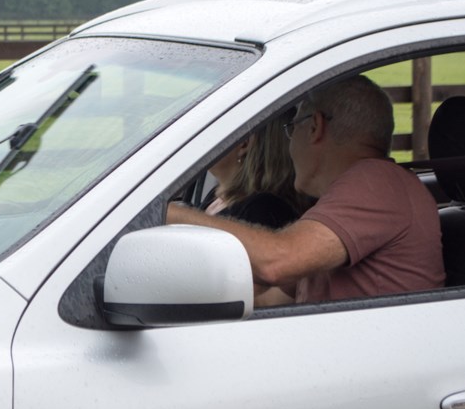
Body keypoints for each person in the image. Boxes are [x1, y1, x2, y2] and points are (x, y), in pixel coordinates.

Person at [168, 75, 445, 303]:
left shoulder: (377, 183)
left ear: (314, 127)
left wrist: (171, 214)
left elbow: (278, 261)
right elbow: (270, 298)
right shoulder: (345, 199)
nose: (288, 144)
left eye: (291, 128)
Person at [200, 112, 309, 229]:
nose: (206, 138)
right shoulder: (217, 194)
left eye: (218, 130)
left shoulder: (261, 211)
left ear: (244, 143)